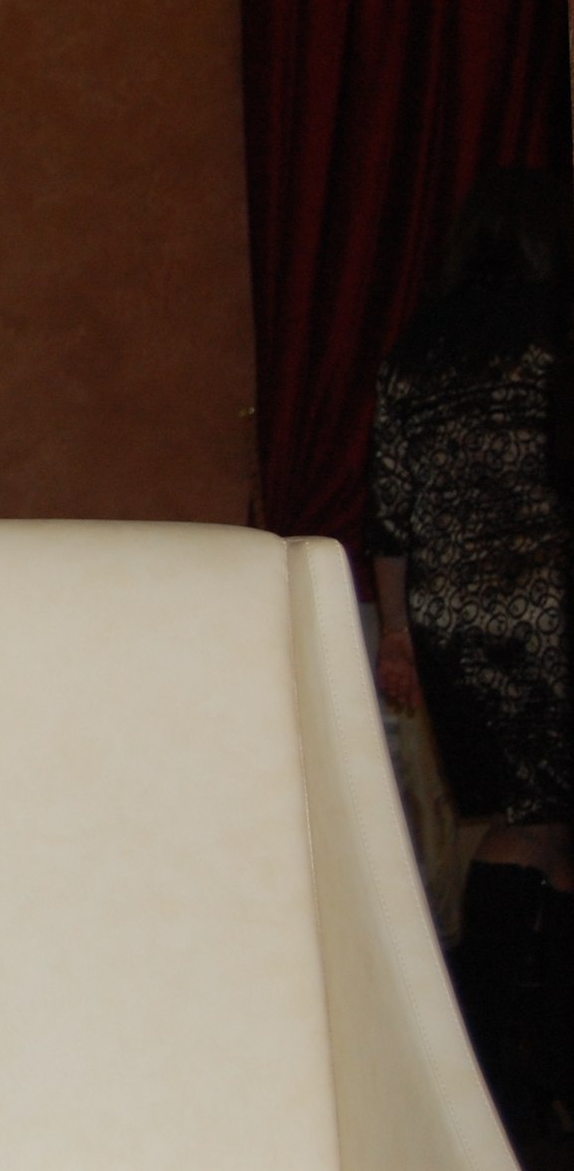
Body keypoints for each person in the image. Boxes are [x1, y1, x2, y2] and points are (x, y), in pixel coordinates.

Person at [367, 168, 574, 1134]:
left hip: (454, 613)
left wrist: (399, 633)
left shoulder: (420, 349)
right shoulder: (557, 332)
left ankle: (493, 1063)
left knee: (521, 823)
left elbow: (390, 514)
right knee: (554, 822)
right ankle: (547, 1054)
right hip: (553, 595)